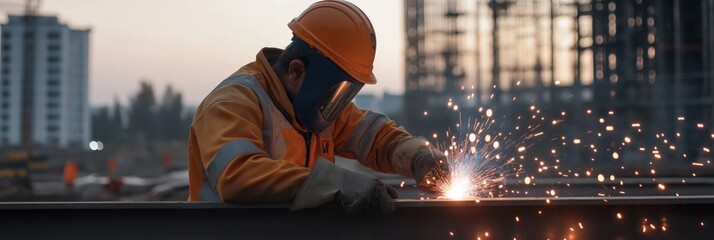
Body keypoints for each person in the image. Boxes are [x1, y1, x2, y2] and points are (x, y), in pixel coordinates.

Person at [187, 0, 447, 215]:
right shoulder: (232, 103)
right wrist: (337, 183)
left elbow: (374, 136)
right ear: (296, 71)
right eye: (336, 91)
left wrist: (418, 157)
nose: (339, 104)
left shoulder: (322, 107)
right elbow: (239, 175)